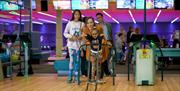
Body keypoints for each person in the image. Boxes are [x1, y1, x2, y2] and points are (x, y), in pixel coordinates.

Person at [63, 9, 84, 83]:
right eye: (75, 14)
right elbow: (65, 33)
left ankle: (77, 77)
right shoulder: (70, 23)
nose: (77, 15)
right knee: (71, 61)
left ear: (80, 15)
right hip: (71, 45)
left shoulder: (82, 24)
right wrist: (71, 36)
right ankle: (70, 77)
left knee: (78, 61)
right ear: (73, 15)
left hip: (78, 46)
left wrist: (81, 36)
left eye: (78, 14)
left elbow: (83, 34)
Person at [96, 12, 112, 77]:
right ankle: (103, 73)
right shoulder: (96, 26)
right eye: (97, 18)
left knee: (107, 58)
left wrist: (111, 42)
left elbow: (110, 34)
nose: (98, 19)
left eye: (99, 17)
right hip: (100, 44)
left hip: (108, 43)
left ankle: (107, 72)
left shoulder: (108, 25)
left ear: (102, 17)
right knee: (102, 59)